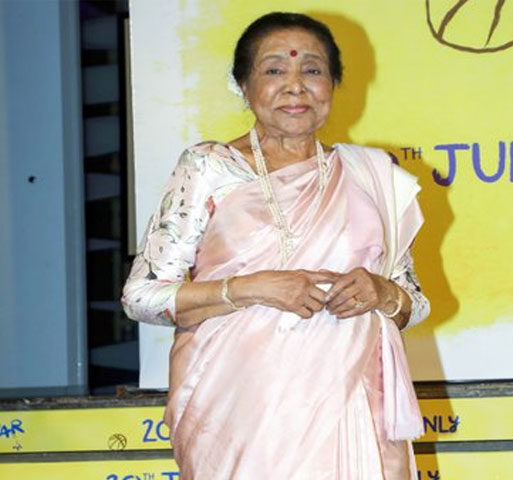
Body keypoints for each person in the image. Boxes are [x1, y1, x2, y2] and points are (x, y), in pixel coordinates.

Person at [122, 11, 430, 479]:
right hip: (241, 414)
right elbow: (142, 297)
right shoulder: (210, 167)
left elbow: (414, 303)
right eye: (274, 70)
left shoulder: (370, 177)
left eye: (312, 70)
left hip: (352, 402)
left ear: (333, 83)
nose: (295, 86)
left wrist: (382, 292)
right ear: (243, 86)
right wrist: (251, 289)